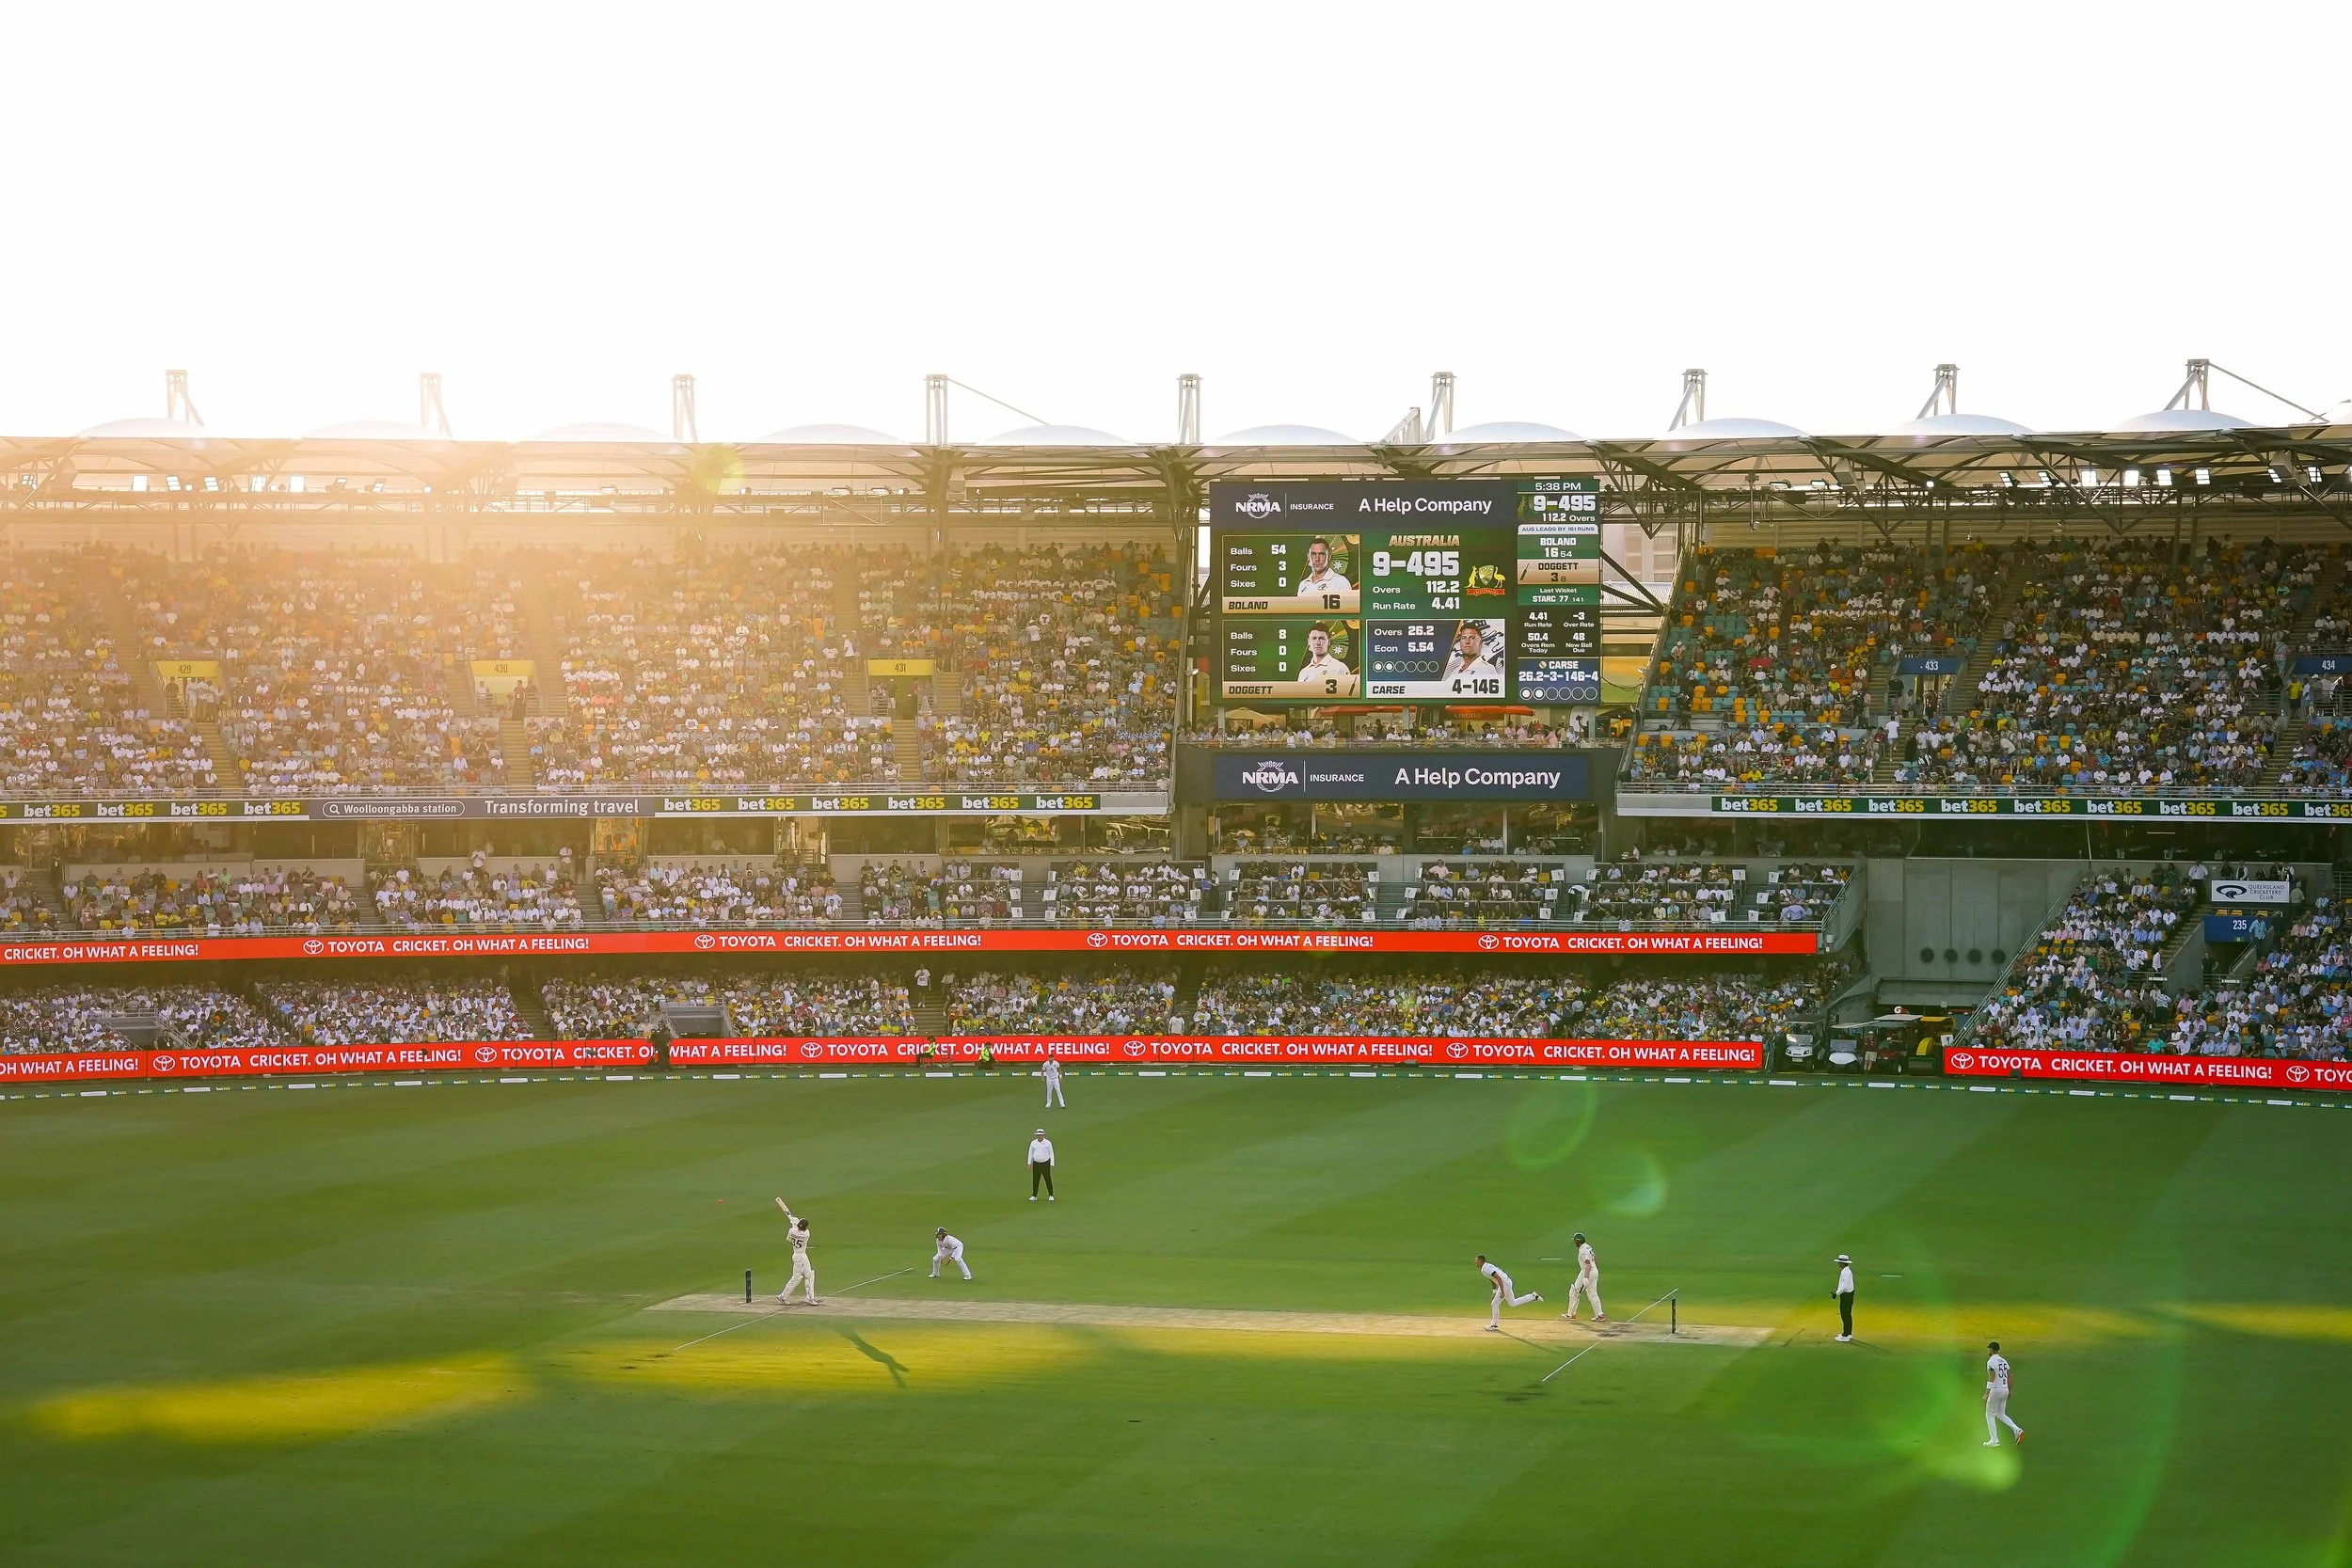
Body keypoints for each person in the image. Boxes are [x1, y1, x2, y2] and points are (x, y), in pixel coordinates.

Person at [1476, 1253, 1541, 1331]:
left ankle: (1494, 1325)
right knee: (1513, 1303)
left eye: (1476, 1261)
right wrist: (1494, 1292)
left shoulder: (1487, 1268)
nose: (1475, 1262)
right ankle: (1533, 1296)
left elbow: (1499, 1278)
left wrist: (1503, 1292)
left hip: (1504, 1284)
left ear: (1480, 1261)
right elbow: (1492, 1279)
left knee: (1494, 1304)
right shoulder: (1484, 1268)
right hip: (1506, 1282)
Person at [773, 1197, 820, 1305]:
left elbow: (788, 1239)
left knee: (809, 1274)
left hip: (796, 1255)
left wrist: (794, 1223)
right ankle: (783, 1295)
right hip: (801, 1257)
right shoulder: (806, 1234)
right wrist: (795, 1222)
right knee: (797, 1277)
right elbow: (802, 1230)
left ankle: (809, 1297)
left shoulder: (792, 1231)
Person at [1295, 625, 1356, 694]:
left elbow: (1346, 698)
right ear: (1309, 642)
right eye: (1314, 638)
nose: (1317, 643)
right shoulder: (1303, 672)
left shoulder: (1340, 668)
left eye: (1322, 638)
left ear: (1329, 642)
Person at [1983, 1341, 2024, 1447]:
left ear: (1991, 1350)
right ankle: (2017, 1430)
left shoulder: (1991, 1361)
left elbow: (1992, 1377)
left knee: (1989, 1415)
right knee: (2001, 1414)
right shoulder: (2004, 1361)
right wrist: (2010, 1390)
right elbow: (2010, 1375)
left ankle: (1994, 1440)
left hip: (1995, 1390)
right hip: (2004, 1389)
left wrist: (1986, 1393)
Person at [1439, 622, 1502, 689]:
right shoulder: (1454, 671)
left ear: (1480, 643)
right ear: (1460, 643)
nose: (1467, 641)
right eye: (1463, 638)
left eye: (1472, 638)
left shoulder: (1487, 669)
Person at [1563, 1231, 1605, 1323]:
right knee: (1591, 1293)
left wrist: (1586, 1277)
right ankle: (1600, 1314)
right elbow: (1595, 1258)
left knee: (1575, 1291)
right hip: (1592, 1271)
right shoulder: (1588, 1246)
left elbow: (1588, 1264)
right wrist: (1594, 1271)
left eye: (1575, 1241)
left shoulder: (1582, 1251)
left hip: (1587, 1272)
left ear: (1578, 1242)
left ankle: (1571, 1314)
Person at [1027, 1127, 1056, 1201]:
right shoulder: (1033, 1143)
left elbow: (1051, 1153)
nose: (1039, 1136)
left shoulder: (1047, 1143)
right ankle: (1034, 1195)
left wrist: (1052, 1163)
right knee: (1035, 1180)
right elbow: (1030, 1153)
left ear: (1043, 1135)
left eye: (1040, 1135)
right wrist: (1029, 1163)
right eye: (1038, 1135)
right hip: (1036, 1163)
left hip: (1045, 1163)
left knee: (1047, 1179)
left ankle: (1051, 1195)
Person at [1833, 1254, 1855, 1341]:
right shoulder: (1847, 1271)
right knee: (1847, 1315)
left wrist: (1837, 1292)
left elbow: (1845, 1286)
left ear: (1842, 1263)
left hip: (1846, 1295)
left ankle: (1845, 1335)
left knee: (1845, 1315)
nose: (1838, 1264)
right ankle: (1848, 1333)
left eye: (1839, 1262)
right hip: (1849, 1294)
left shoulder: (1845, 1272)